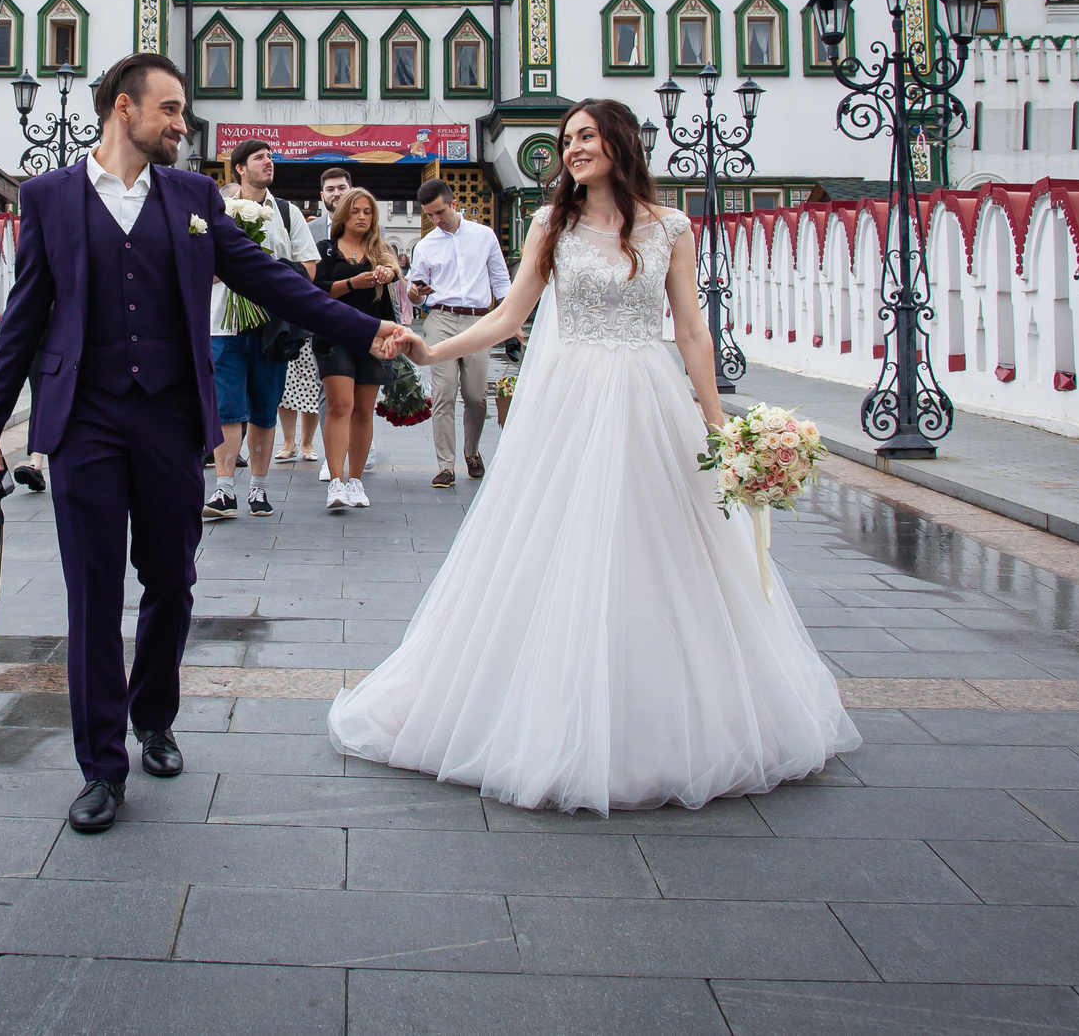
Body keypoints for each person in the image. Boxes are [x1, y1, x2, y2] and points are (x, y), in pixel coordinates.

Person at [328, 100, 858, 813]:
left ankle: (662, 716)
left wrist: (718, 427)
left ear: (620, 141)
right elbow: (509, 315)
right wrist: (431, 350)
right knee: (554, 542)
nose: (573, 148)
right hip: (568, 401)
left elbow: (691, 331)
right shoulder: (551, 225)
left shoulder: (671, 228)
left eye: (585, 135)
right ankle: (548, 710)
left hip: (648, 397)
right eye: (567, 139)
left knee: (661, 546)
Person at [0, 54, 420, 834]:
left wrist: (366, 327)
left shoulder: (194, 198)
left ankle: (155, 717)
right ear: (123, 108)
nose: (182, 123)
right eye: (169, 108)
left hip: (171, 416)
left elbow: (273, 279)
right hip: (84, 420)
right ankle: (101, 765)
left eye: (182, 111)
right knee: (91, 593)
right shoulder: (49, 198)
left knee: (171, 579)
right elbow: (25, 314)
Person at [205, 139, 318, 521]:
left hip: (272, 326)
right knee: (226, 408)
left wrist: (268, 276)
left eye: (270, 157)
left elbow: (309, 267)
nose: (269, 162)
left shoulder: (287, 213)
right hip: (223, 324)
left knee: (265, 407)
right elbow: (196, 262)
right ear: (240, 168)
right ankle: (223, 489)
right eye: (259, 158)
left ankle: (259, 487)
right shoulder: (217, 210)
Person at [407, 178, 515, 489]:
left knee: (476, 396)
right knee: (444, 393)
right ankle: (446, 465)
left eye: (440, 212)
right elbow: (415, 295)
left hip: (479, 322)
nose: (436, 220)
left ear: (453, 204)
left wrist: (512, 322)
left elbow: (501, 279)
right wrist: (416, 293)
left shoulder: (483, 236)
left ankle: (472, 451)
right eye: (429, 215)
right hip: (441, 318)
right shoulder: (425, 246)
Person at [312, 187, 402, 512]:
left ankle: (356, 480)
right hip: (334, 335)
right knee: (340, 405)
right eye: (355, 211)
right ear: (343, 215)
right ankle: (336, 481)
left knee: (364, 410)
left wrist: (388, 273)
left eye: (367, 212)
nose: (362, 217)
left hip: (374, 337)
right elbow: (316, 290)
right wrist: (352, 283)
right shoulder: (326, 249)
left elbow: (394, 273)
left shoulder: (380, 250)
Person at [279, 167, 350, 478]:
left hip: (350, 319)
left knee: (333, 388)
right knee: (296, 384)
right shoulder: (310, 228)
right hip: (310, 316)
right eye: (330, 189)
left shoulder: (369, 224)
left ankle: (323, 446)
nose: (336, 193)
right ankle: (295, 443)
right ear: (322, 196)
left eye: (342, 187)